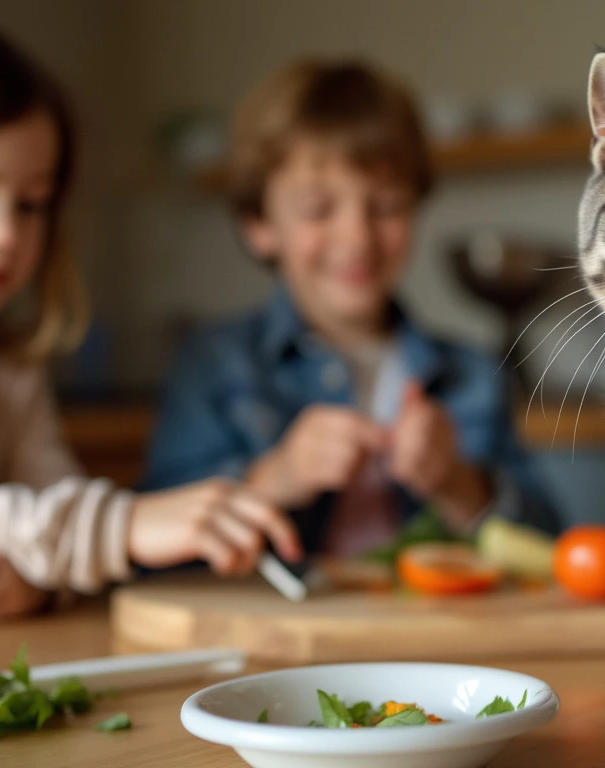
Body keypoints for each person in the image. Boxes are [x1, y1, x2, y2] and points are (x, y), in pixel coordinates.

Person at [0, 9, 298, 626]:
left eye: (32, 204)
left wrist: (34, 584)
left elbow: (55, 529)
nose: (5, 235)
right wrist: (122, 525)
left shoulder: (4, 368)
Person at [142, 60, 559, 558]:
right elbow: (153, 550)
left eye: (385, 206)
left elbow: (552, 550)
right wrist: (275, 480)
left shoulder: (473, 376)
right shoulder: (212, 365)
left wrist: (458, 483)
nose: (357, 237)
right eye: (319, 209)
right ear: (259, 224)